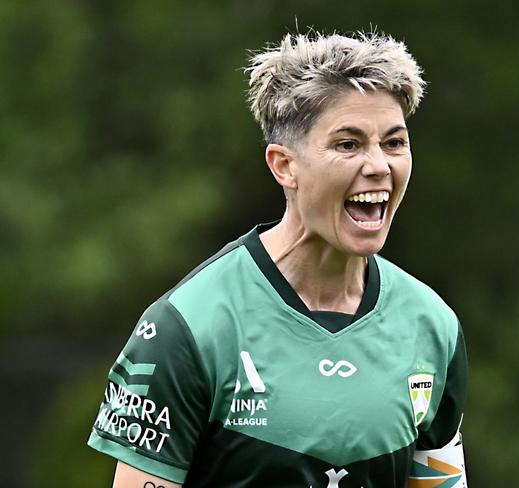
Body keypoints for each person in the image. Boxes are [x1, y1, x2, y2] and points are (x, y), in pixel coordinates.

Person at [88, 31, 468, 488]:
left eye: (393, 143)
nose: (379, 166)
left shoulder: (432, 325)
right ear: (284, 165)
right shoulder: (187, 327)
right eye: (348, 144)